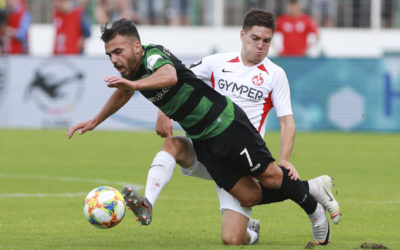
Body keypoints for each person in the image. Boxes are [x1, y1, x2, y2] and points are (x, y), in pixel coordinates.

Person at [67, 17, 331, 245]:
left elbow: (169, 76)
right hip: (203, 140)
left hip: (226, 125)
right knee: (247, 197)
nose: (114, 59)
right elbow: (123, 94)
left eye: (118, 51)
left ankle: (312, 206)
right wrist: (94, 121)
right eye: (109, 55)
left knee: (272, 178)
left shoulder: (153, 55)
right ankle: (147, 204)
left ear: (136, 46)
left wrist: (133, 86)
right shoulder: (133, 71)